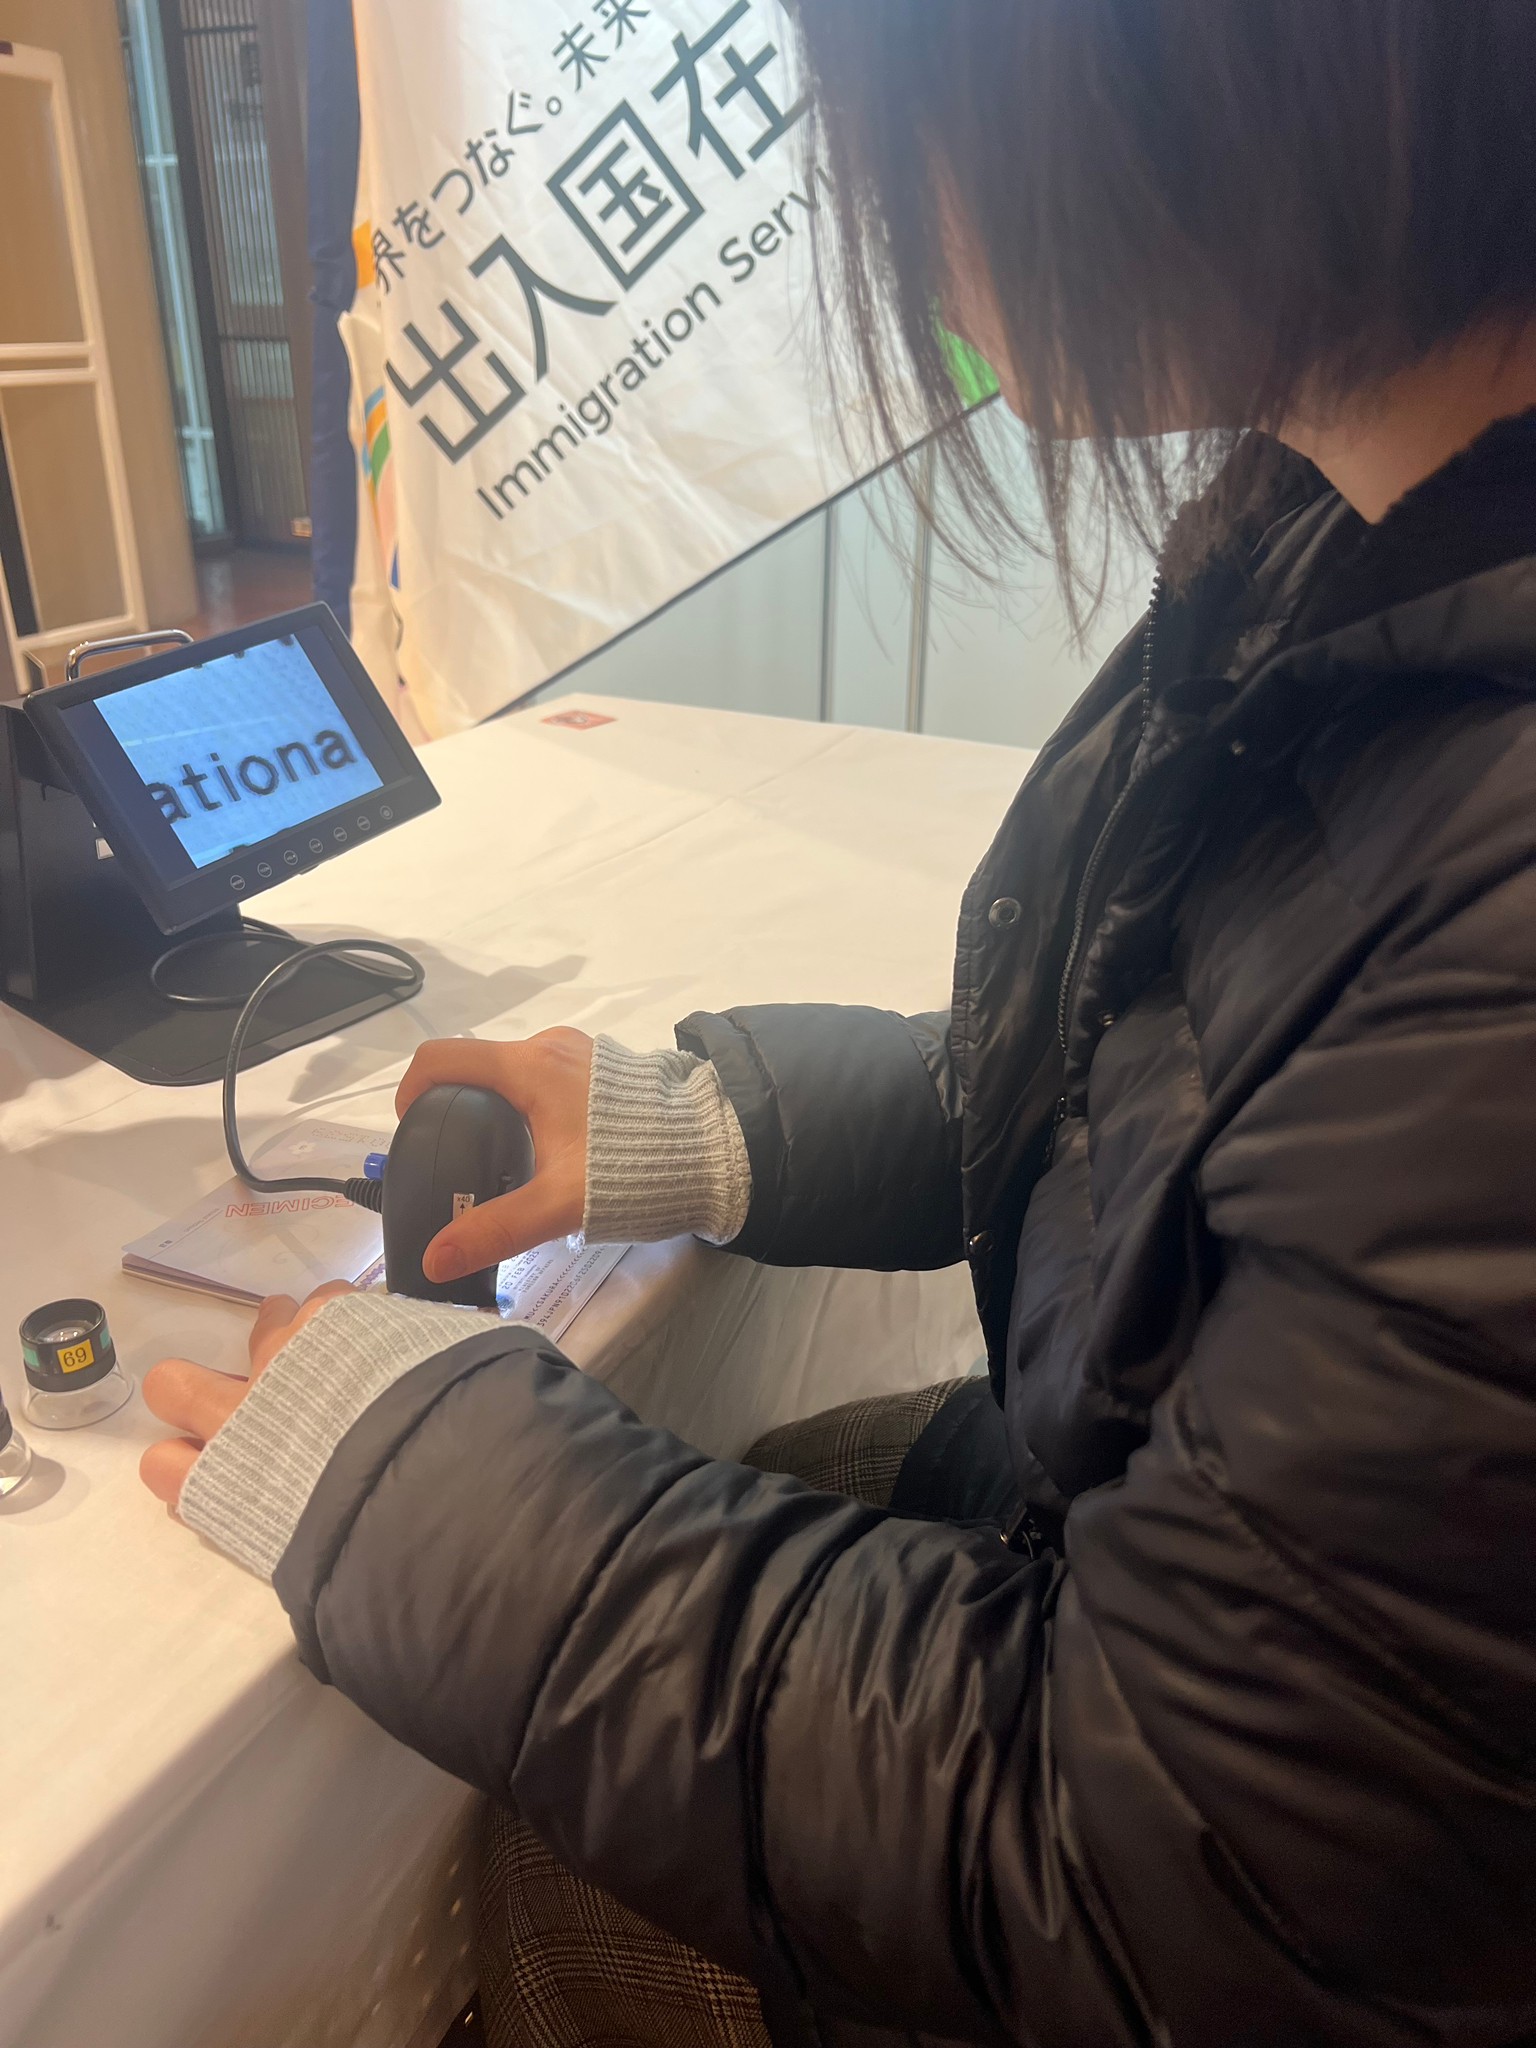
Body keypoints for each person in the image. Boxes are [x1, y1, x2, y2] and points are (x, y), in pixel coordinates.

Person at [141, 5, 1536, 2044]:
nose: (876, 202)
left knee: (542, 1896)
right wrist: (721, 1125)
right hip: (1160, 1573)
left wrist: (403, 1482)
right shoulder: (1335, 534)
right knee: (785, 1464)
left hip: (1218, 1898)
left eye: (888, 103)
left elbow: (1152, 1879)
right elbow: (1168, 1093)